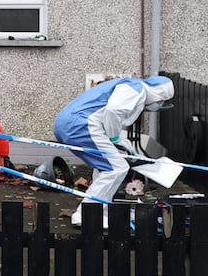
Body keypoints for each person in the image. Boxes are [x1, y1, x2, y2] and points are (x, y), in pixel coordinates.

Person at [53, 76, 174, 229]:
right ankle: (87, 215)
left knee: (105, 167)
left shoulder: (132, 87)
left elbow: (107, 114)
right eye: (162, 101)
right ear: (160, 95)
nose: (159, 105)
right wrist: (115, 139)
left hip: (71, 123)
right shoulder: (137, 90)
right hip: (81, 124)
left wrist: (121, 143)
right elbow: (114, 111)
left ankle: (98, 210)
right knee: (116, 167)